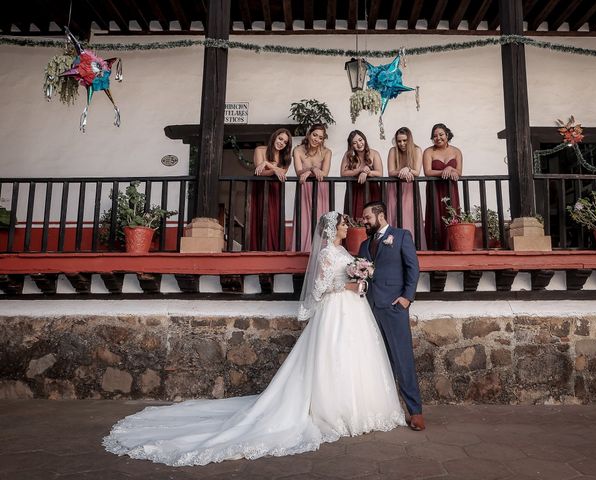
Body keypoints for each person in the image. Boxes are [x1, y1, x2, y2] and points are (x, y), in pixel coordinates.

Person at [103, 211, 405, 466]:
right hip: (336, 311)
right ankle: (333, 410)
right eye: (341, 224)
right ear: (331, 229)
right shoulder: (327, 254)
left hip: (352, 311)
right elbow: (318, 290)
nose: (345, 227)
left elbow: (348, 275)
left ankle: (359, 408)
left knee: (353, 357)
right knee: (332, 357)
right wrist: (347, 288)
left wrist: (358, 278)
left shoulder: (343, 252)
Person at [358, 200, 424, 431]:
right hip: (369, 309)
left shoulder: (401, 236)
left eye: (367, 217)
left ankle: (415, 411)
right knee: (377, 362)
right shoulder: (364, 245)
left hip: (395, 308)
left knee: (402, 358)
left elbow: (413, 268)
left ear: (381, 215)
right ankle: (383, 411)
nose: (363, 221)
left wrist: (407, 298)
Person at [290, 124, 331, 252]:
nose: (316, 139)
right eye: (314, 135)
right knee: (303, 220)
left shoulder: (327, 152)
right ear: (309, 134)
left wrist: (309, 172)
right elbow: (298, 172)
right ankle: (302, 250)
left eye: (320, 137)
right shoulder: (297, 150)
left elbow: (324, 173)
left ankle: (321, 251)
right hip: (304, 187)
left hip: (320, 189)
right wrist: (312, 168)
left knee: (320, 219)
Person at [248, 128, 292, 251]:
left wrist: (267, 164)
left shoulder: (286, 157)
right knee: (260, 217)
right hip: (261, 188)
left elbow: (282, 173)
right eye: (280, 138)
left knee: (274, 219)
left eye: (285, 142)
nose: (281, 143)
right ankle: (257, 250)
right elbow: (259, 172)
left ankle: (274, 249)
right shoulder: (260, 150)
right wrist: (273, 169)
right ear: (274, 137)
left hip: (275, 189)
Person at [423, 123, 463, 250]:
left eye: (441, 135)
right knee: (435, 217)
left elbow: (459, 172)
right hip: (435, 189)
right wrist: (443, 172)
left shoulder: (456, 151)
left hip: (450, 188)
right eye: (434, 136)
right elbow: (427, 172)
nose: (438, 138)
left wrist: (451, 168)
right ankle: (435, 247)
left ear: (447, 135)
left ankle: (452, 246)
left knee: (451, 215)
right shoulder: (429, 151)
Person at [386, 127, 426, 249]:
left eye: (404, 141)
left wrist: (408, 169)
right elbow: (391, 172)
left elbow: (417, 172)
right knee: (394, 215)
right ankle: (393, 246)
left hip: (409, 187)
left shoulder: (417, 150)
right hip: (394, 187)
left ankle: (411, 246)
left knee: (409, 216)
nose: (402, 144)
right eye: (399, 141)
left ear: (410, 139)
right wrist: (402, 171)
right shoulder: (393, 151)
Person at [340, 130, 383, 219]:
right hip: (355, 190)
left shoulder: (374, 153)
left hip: (372, 190)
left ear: (364, 139)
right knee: (355, 217)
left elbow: (379, 173)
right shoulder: (348, 155)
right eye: (355, 143)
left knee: (373, 217)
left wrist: (367, 172)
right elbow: (343, 173)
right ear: (351, 145)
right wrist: (360, 170)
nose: (359, 144)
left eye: (360, 140)